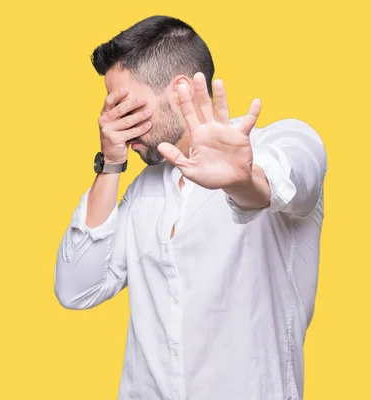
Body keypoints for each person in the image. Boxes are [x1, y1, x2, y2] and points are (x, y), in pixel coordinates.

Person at [53, 15, 327, 400]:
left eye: (125, 108)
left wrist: (241, 180)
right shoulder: (142, 193)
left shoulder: (282, 142)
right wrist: (111, 164)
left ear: (178, 88)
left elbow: (290, 181)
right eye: (110, 110)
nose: (114, 123)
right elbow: (76, 289)